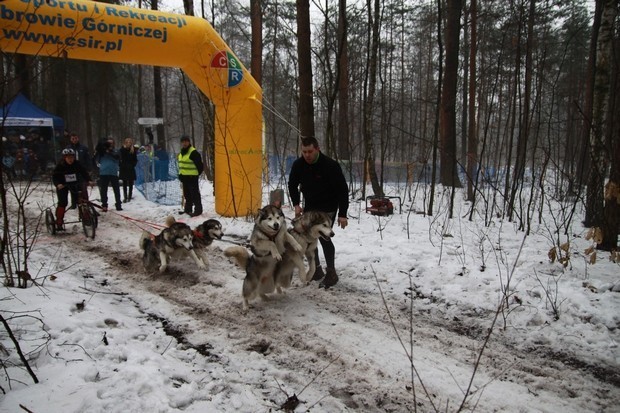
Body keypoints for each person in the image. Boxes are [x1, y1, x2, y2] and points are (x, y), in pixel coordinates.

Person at [288, 136, 349, 288]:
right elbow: (292, 184)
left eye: (310, 151)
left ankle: (331, 273)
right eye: (304, 152)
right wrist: (296, 204)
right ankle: (317, 270)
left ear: (317, 149)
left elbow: (342, 190)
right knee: (309, 238)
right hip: (310, 206)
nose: (307, 155)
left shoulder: (330, 165)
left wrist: (343, 213)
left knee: (323, 237)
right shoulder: (299, 165)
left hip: (328, 207)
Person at [51, 148, 92, 230]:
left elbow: (84, 172)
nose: (70, 159)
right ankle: (59, 220)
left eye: (72, 157)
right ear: (64, 158)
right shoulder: (60, 166)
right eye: (68, 158)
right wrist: (58, 184)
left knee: (82, 199)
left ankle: (85, 216)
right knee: (63, 202)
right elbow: (55, 176)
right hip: (63, 185)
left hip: (75, 184)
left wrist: (89, 180)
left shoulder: (77, 164)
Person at [177, 135, 203, 217]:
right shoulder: (181, 153)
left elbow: (200, 166)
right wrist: (181, 175)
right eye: (183, 142)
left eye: (186, 141)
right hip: (185, 178)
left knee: (195, 194)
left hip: (192, 178)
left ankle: (198, 211)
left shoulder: (193, 152)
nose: (184, 143)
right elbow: (181, 165)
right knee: (187, 195)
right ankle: (188, 210)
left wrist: (194, 175)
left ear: (189, 142)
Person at [95, 137, 122, 212]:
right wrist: (102, 150)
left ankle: (118, 204)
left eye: (111, 143)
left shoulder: (116, 151)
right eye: (108, 143)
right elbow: (96, 159)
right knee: (103, 190)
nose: (110, 144)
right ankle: (104, 204)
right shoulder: (101, 152)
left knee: (116, 189)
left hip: (113, 172)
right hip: (103, 172)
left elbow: (117, 157)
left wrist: (109, 151)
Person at [119, 137, 138, 203]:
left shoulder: (133, 150)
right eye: (127, 142)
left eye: (130, 142)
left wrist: (132, 165)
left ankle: (129, 196)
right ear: (125, 143)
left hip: (130, 168)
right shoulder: (122, 150)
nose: (128, 143)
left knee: (130, 183)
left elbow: (135, 159)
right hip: (124, 168)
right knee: (124, 183)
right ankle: (125, 196)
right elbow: (120, 158)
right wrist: (121, 165)